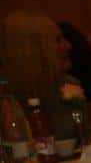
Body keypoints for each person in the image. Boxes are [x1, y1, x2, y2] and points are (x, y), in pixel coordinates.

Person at [0, 10, 81, 140]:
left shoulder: (69, 86)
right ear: (33, 50)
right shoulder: (6, 97)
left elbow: (85, 139)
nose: (68, 46)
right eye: (57, 40)